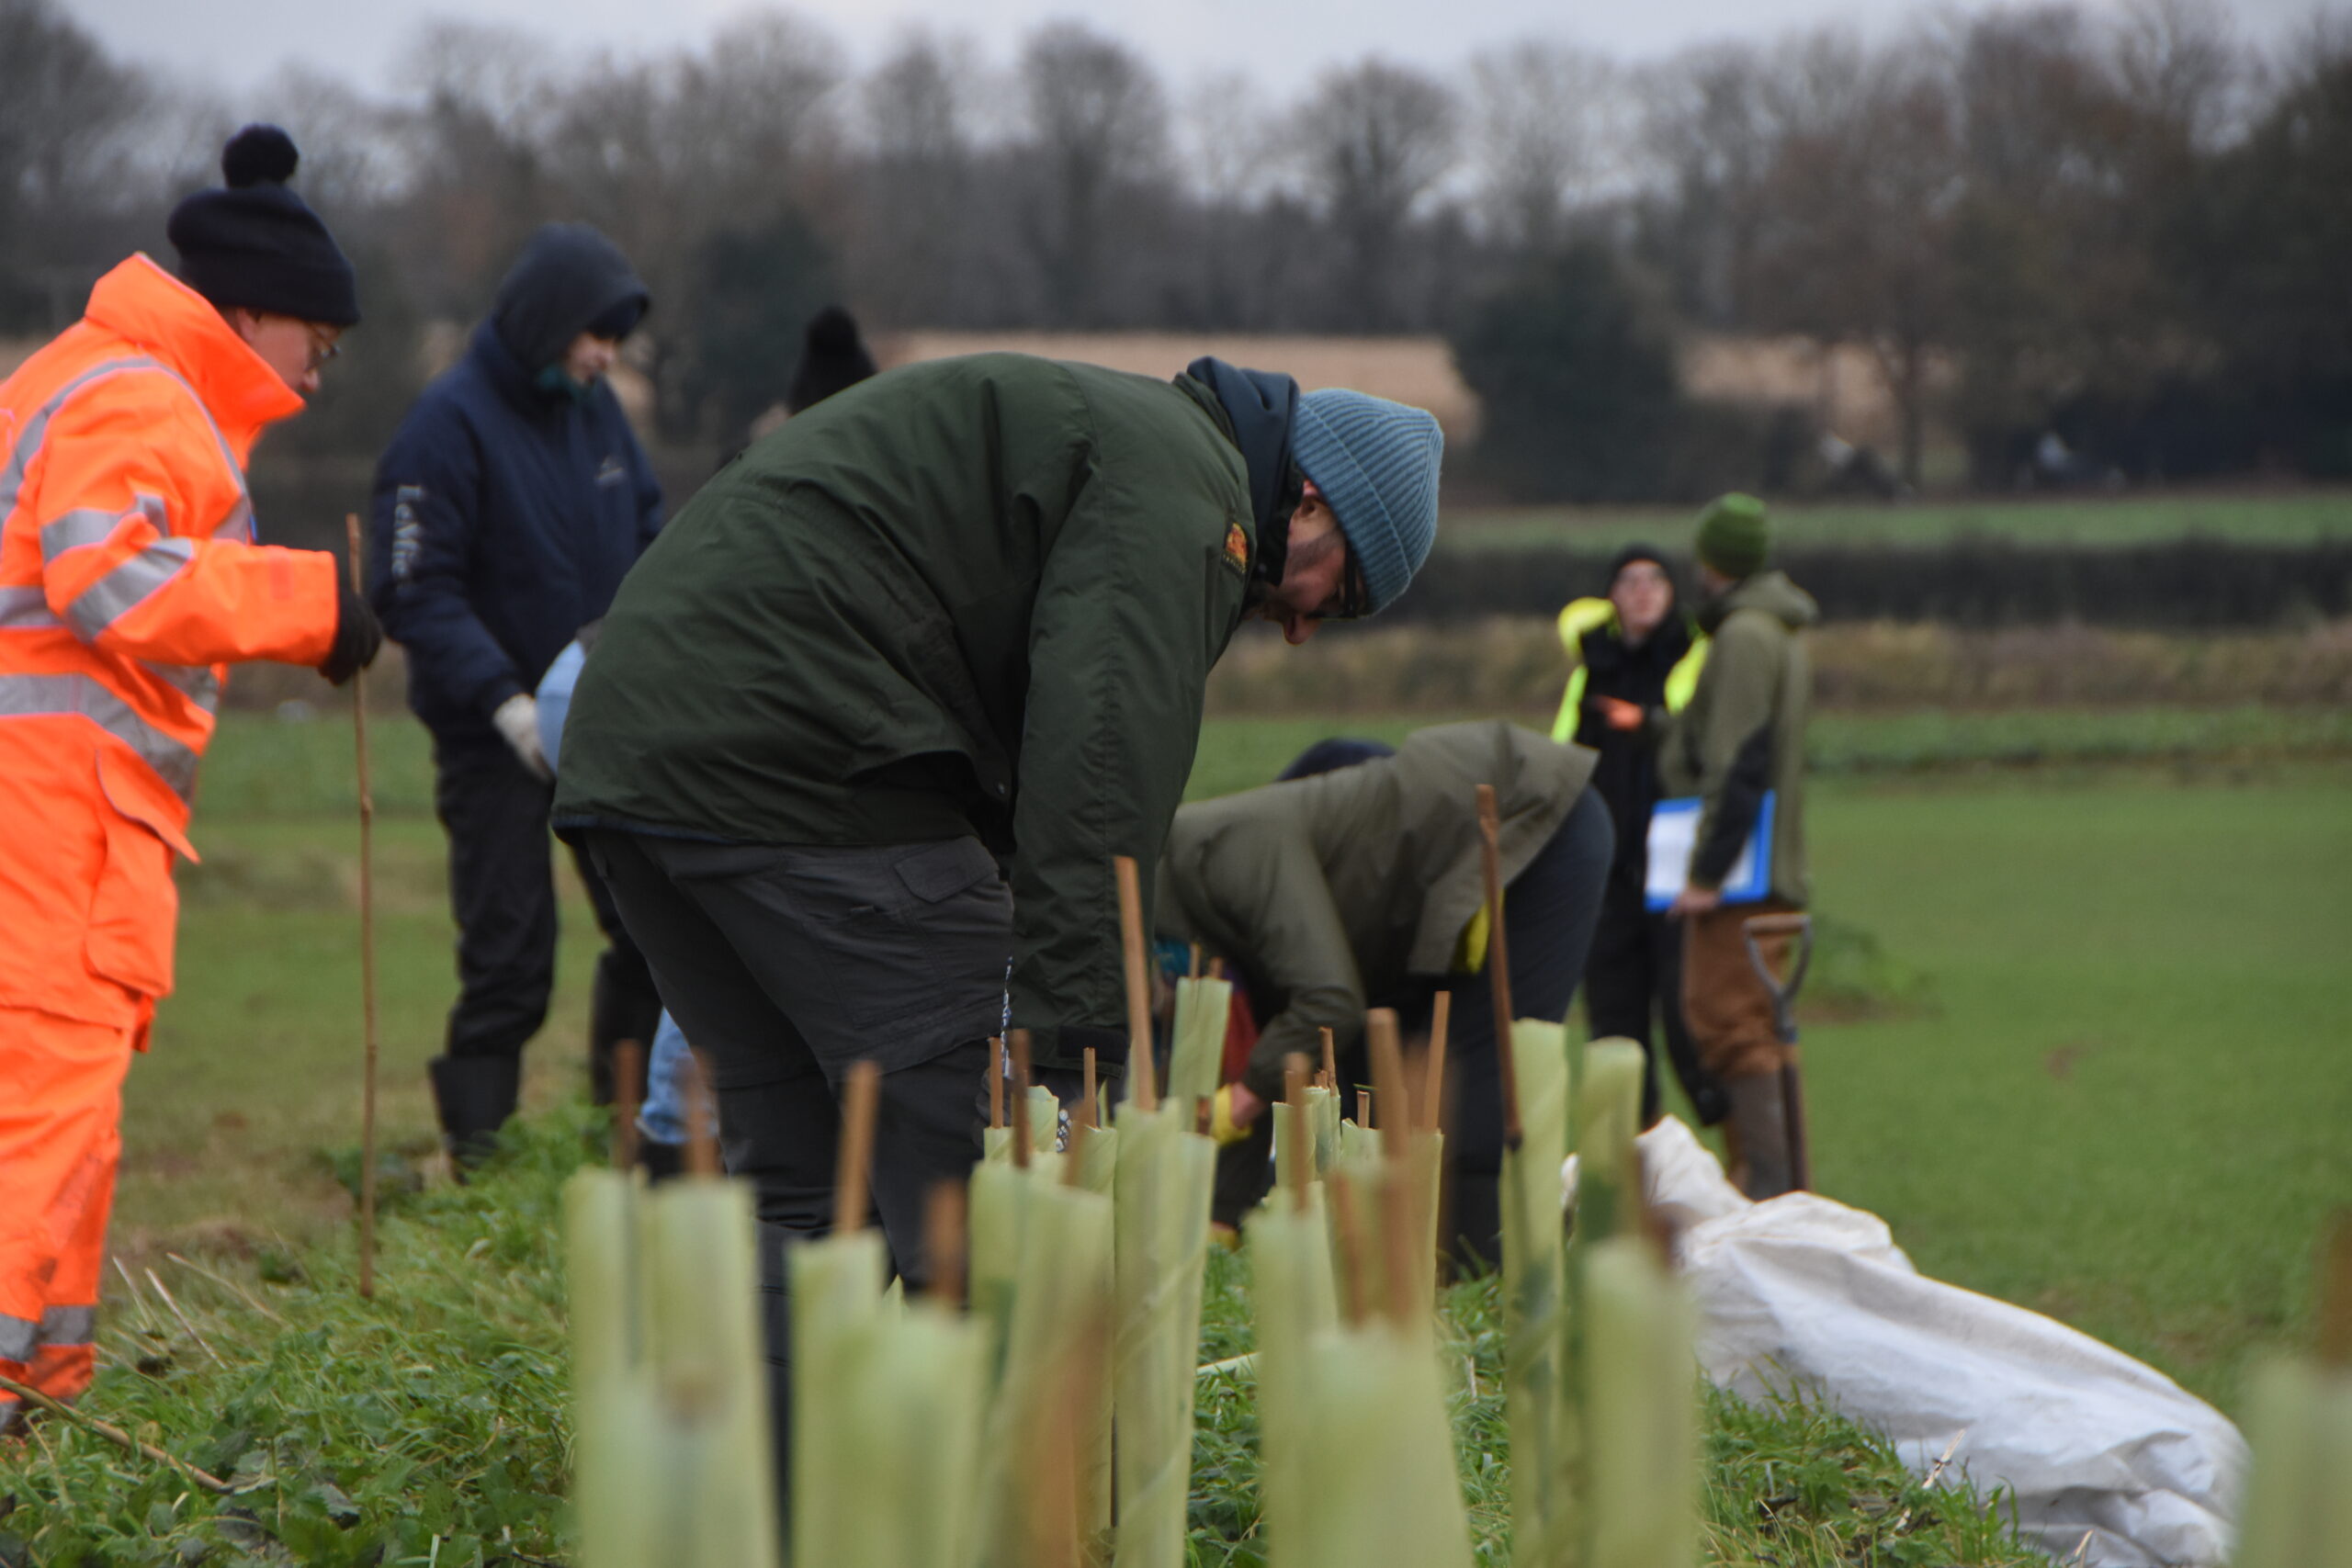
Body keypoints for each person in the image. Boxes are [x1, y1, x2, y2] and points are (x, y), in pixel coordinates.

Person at [553, 352, 1443, 1512]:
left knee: (804, 1192)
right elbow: (1097, 771)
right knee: (988, 1189)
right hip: (802, 756)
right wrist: (1080, 1051)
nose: (1308, 626)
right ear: (1311, 501)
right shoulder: (1183, 489)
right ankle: (1016, 1521)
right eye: (1343, 587)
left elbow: (1015, 765)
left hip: (641, 753)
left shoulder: (1109, 438)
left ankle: (745, 1522)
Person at [0, 125, 380, 1429]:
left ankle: (45, 1416)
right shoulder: (136, 395)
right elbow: (109, 578)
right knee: (43, 1126)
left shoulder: (93, 377)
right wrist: (314, 605)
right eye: (316, 350)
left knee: (67, 1131)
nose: (316, 382)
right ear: (258, 311)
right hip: (47, 830)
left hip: (62, 829)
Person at [368, 223, 666, 1168]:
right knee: (509, 955)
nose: (605, 355)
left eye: (614, 339)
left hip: (608, 726)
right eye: (593, 334)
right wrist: (505, 705)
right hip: (492, 737)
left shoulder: (598, 414)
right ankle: (480, 1160)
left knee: (655, 929)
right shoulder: (444, 428)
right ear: (545, 323)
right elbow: (416, 588)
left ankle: (624, 1129)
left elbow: (653, 534)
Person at [1155, 720, 1611, 1263]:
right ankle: (1404, 1258)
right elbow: (1281, 1044)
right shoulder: (1205, 915)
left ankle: (1473, 1285)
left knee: (1473, 1083)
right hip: (1427, 898)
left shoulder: (1229, 852)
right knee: (1379, 1098)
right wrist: (1220, 1220)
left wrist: (1242, 1102)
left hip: (1532, 825)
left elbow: (1329, 1002)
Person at [1659, 493, 1818, 1199]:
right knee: (1758, 1025)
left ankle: (1769, 1193)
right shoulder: (1776, 630)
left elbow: (1739, 760)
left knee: (1729, 1024)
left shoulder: (1746, 637)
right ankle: (1782, 1187)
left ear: (1711, 561)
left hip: (1740, 876)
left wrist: (1706, 872)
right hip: (1761, 869)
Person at [1551, 544, 1724, 1128]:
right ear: (1611, 598)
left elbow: (1704, 749)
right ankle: (1631, 1152)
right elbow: (1563, 760)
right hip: (1607, 870)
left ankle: (1722, 1127)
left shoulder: (1695, 659)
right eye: (1628, 581)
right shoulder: (1590, 671)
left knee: (1687, 1013)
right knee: (1614, 1022)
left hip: (1678, 864)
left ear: (1673, 594)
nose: (1643, 591)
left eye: (1655, 580)